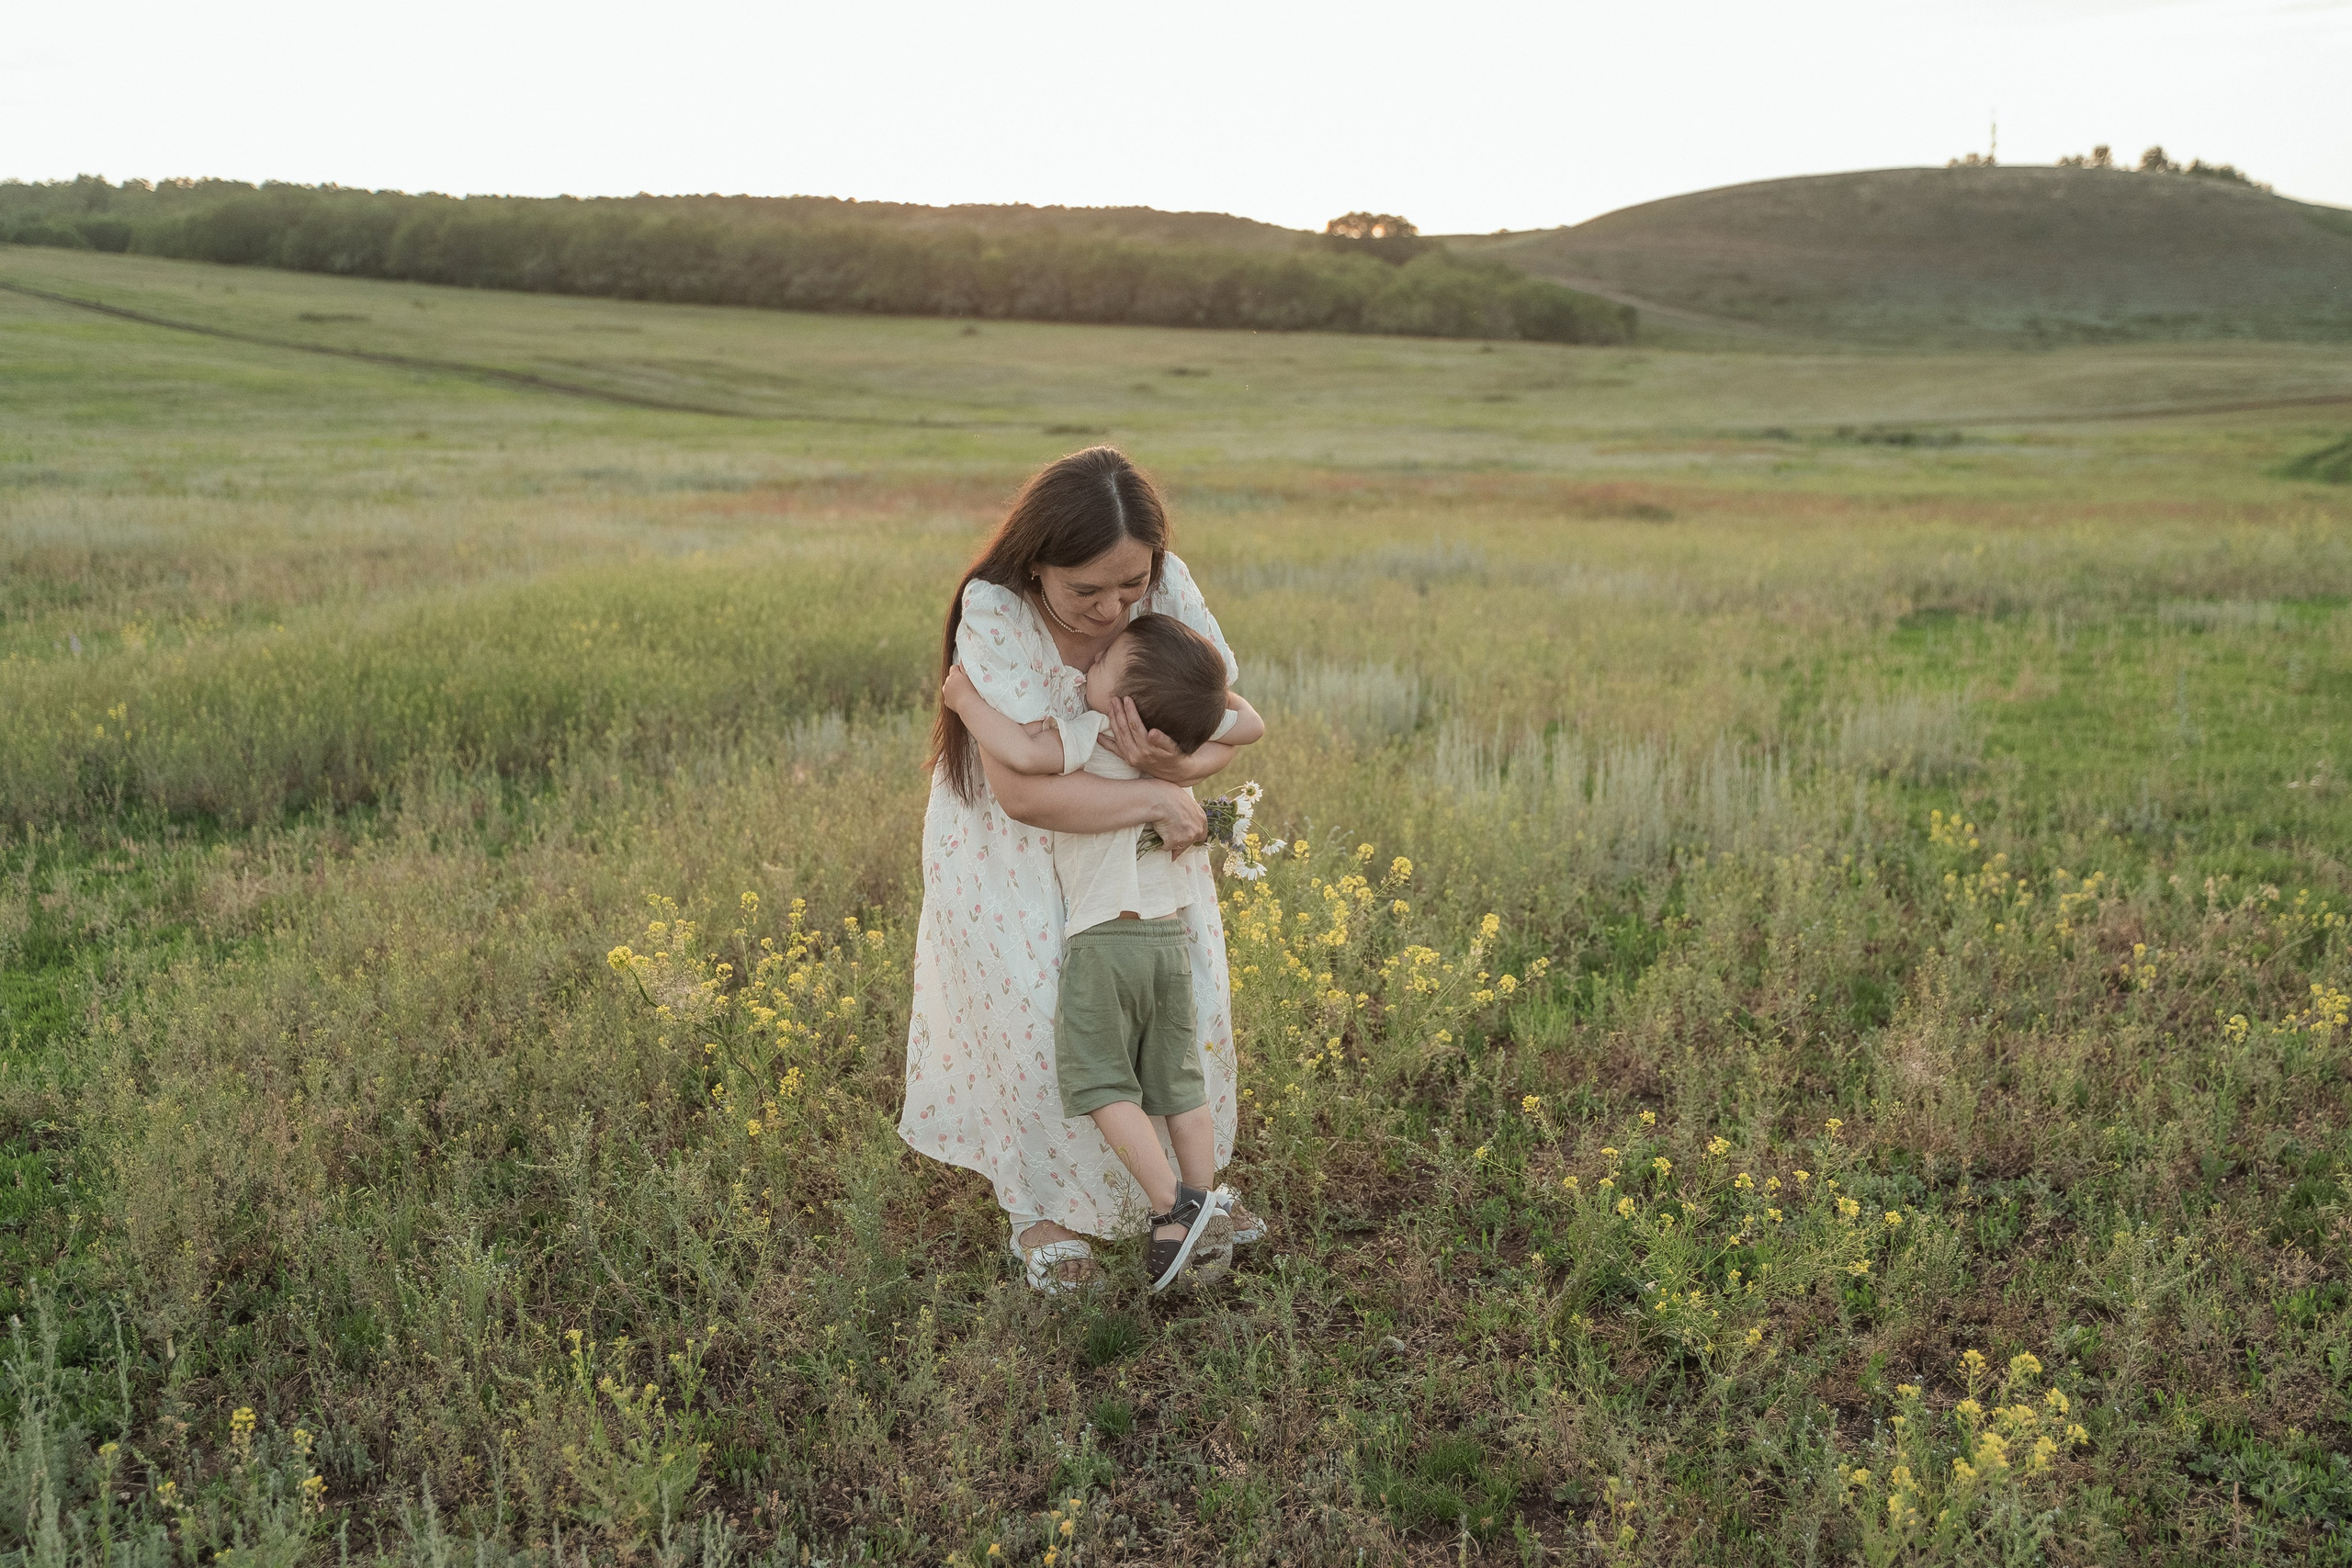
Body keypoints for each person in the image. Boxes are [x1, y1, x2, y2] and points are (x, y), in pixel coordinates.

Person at [899, 446, 1269, 1292]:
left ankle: (1180, 1197)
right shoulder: (994, 610)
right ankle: (1042, 1207)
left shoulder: (1162, 582)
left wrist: (1171, 771)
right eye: (1086, 592)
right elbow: (1023, 793)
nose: (1113, 609)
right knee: (1038, 1018)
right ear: (1038, 565)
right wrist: (1156, 798)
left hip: (1137, 865)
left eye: (1130, 587)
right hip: (1017, 847)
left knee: (1172, 1018)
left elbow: (1220, 724)